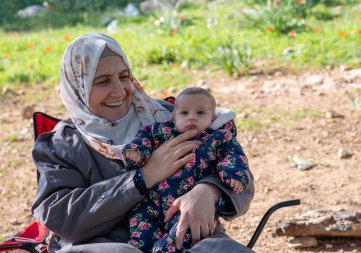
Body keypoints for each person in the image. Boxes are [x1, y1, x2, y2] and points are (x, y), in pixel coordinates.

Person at [31, 33, 254, 253]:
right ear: (78, 87)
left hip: (186, 238)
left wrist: (209, 190)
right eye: (102, 81)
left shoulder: (169, 116)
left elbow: (239, 174)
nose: (119, 91)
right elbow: (62, 218)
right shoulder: (60, 145)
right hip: (105, 245)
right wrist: (142, 178)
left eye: (124, 76)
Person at [123, 87, 250, 252]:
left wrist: (233, 174)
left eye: (200, 113)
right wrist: (136, 153)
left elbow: (234, 155)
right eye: (184, 113)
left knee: (183, 234)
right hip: (152, 200)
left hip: (188, 205)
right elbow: (143, 140)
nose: (192, 117)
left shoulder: (217, 138)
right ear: (174, 117)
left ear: (212, 118)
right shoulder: (159, 132)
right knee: (141, 230)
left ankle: (165, 250)